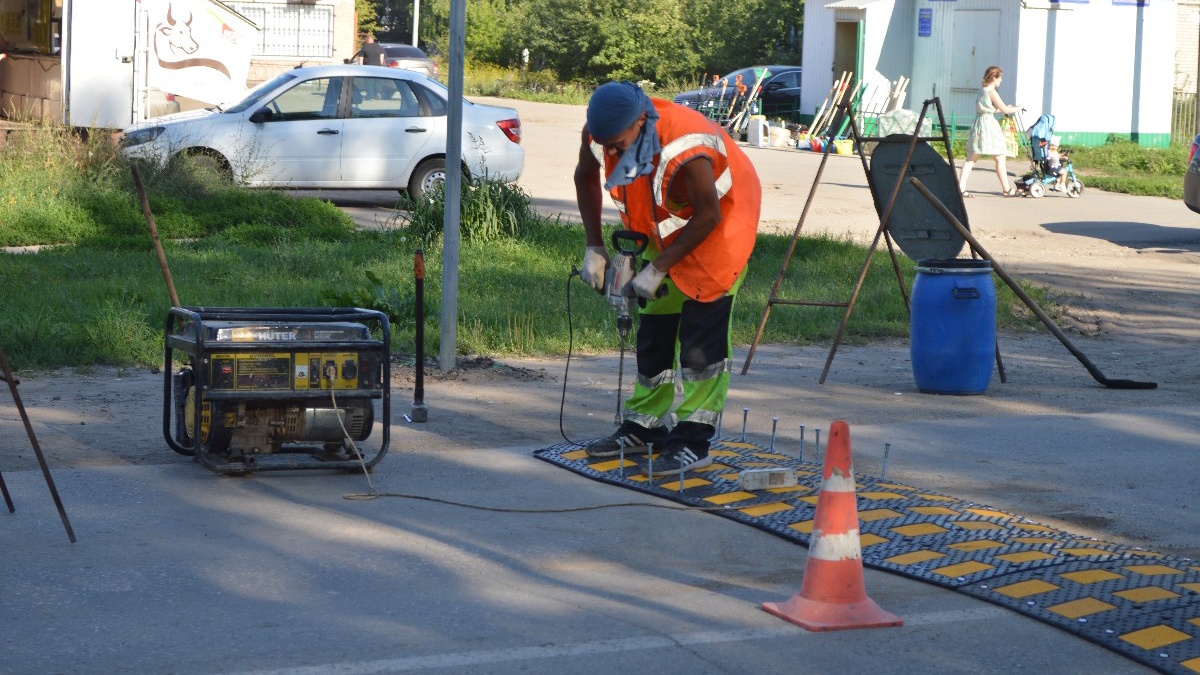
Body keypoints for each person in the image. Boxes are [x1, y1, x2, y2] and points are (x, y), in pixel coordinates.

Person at [574, 81, 761, 476]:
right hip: (670, 230)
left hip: (723, 223)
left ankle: (694, 438)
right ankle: (647, 427)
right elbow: (585, 175)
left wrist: (658, 268)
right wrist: (595, 246)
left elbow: (709, 214)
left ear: (641, 122)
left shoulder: (685, 145)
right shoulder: (603, 131)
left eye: (617, 145)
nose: (609, 152)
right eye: (604, 143)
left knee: (700, 340)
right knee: (655, 328)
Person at [957, 66, 1023, 198]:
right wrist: (1018, 107)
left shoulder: (982, 90)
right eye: (1000, 78)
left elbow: (988, 109)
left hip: (979, 124)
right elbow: (1006, 110)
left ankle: (960, 188)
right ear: (994, 78)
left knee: (971, 159)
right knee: (999, 157)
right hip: (989, 127)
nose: (1001, 80)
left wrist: (1003, 109)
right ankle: (1006, 189)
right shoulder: (992, 92)